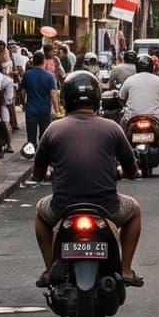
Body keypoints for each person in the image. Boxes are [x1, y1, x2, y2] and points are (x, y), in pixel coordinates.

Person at [32, 71, 143, 283]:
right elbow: (131, 169)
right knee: (135, 209)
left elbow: (37, 172)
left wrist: (48, 175)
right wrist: (122, 172)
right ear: (97, 98)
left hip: (62, 208)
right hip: (108, 208)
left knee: (40, 212)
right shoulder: (113, 128)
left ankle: (48, 270)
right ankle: (127, 269)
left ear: (66, 98)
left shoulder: (53, 129)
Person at [120, 55, 159, 135]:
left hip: (132, 116)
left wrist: (125, 105)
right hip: (157, 116)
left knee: (122, 125)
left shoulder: (129, 80)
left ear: (137, 67)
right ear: (151, 67)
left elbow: (121, 98)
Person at [21, 50, 58, 150]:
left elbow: (23, 92)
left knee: (31, 133)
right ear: (44, 61)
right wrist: (56, 108)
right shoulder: (49, 76)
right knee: (45, 132)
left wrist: (23, 104)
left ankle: (31, 151)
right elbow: (53, 94)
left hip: (31, 108)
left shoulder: (27, 75)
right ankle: (42, 152)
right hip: (45, 108)